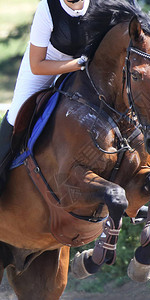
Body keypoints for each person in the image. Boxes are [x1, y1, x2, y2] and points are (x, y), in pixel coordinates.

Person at [0, 0, 94, 195]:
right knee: (17, 115)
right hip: (45, 64)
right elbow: (37, 65)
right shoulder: (48, 7)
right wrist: (79, 63)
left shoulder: (101, 4)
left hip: (82, 65)